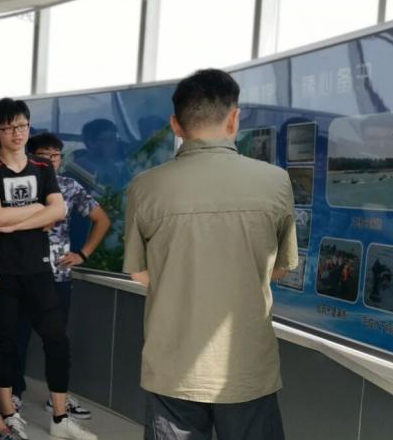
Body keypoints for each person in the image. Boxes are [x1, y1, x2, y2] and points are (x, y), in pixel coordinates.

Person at [124, 68, 296, 440]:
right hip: (246, 365)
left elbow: (138, 272)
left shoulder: (145, 187)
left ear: (176, 124)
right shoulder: (275, 181)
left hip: (172, 366)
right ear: (234, 118)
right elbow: (281, 269)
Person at [0, 98, 95, 440]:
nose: (17, 133)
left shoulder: (42, 168)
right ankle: (8, 413)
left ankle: (60, 418)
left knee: (57, 340)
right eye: (9, 127)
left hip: (39, 269)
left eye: (22, 125)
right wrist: (35, 210)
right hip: (2, 271)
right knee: (4, 342)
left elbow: (58, 211)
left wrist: (13, 224)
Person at [19, 133, 110, 419]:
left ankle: (57, 398)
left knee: (56, 340)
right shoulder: (19, 186)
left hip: (58, 275)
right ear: (31, 157)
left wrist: (83, 254)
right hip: (21, 273)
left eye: (56, 155)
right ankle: (13, 395)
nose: (51, 160)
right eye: (44, 155)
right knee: (15, 337)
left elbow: (102, 220)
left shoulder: (69, 186)